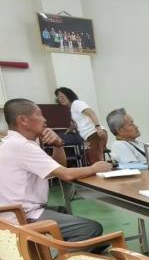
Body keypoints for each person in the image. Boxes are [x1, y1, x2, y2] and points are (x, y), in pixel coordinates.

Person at [0, 99, 111, 241]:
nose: (44, 120)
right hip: (23, 217)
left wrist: (58, 145)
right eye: (39, 115)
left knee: (63, 211)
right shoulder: (22, 146)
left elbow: (58, 166)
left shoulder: (14, 143)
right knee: (91, 229)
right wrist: (95, 167)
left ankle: (71, 254)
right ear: (23, 120)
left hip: (15, 214)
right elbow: (66, 174)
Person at [55, 87, 108, 164]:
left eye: (62, 96)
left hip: (94, 134)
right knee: (91, 159)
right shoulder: (72, 108)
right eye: (58, 97)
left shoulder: (77, 103)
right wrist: (67, 132)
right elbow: (74, 124)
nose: (60, 99)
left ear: (69, 95)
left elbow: (91, 113)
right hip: (88, 137)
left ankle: (103, 175)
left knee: (96, 162)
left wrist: (98, 127)